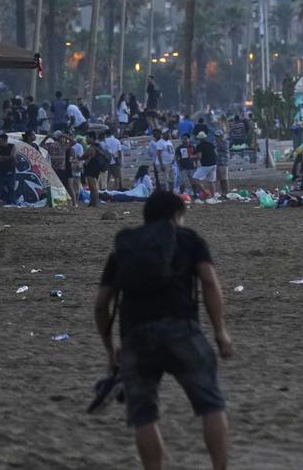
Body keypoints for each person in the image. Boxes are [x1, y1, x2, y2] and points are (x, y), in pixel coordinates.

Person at [94, 190, 232, 470]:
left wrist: (110, 350)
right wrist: (220, 332)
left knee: (144, 416)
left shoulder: (125, 247)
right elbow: (208, 282)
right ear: (176, 215)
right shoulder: (189, 239)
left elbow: (101, 305)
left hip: (135, 335)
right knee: (211, 405)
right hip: (181, 328)